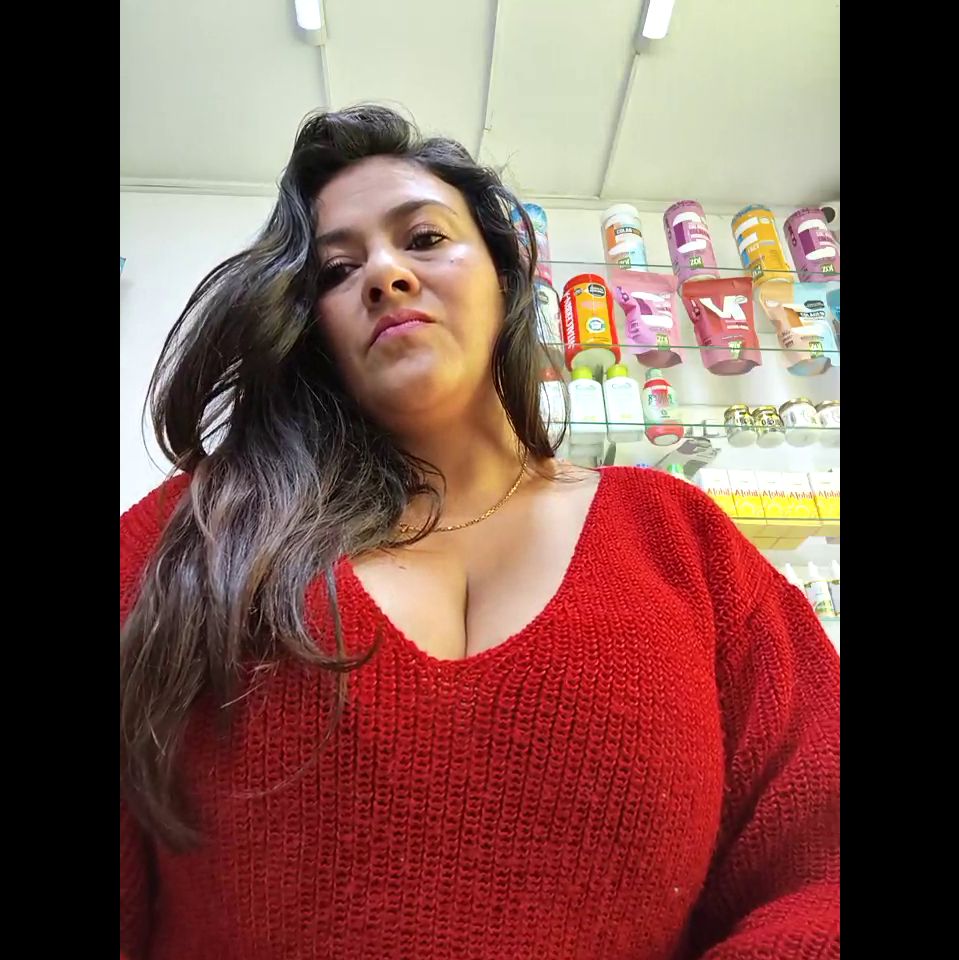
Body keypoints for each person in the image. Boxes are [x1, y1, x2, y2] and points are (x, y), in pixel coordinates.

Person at [120, 104, 840, 960]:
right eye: (338, 270)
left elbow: (820, 856)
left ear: (505, 274)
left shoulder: (676, 536)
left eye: (424, 239)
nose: (384, 275)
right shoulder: (196, 530)